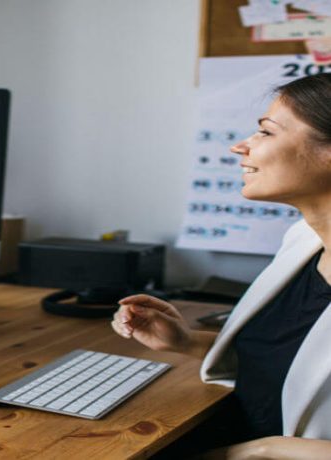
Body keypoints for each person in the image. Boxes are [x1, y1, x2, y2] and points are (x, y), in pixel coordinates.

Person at [111, 74, 331, 457]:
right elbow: (297, 362)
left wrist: (263, 450)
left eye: (266, 132)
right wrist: (186, 341)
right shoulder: (304, 240)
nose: (240, 147)